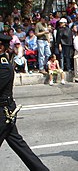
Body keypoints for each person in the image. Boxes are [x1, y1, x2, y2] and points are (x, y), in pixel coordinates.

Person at [0, 33, 49, 170]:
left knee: (20, 146)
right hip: (4, 113)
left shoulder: (4, 67)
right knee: (20, 147)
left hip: (3, 114)